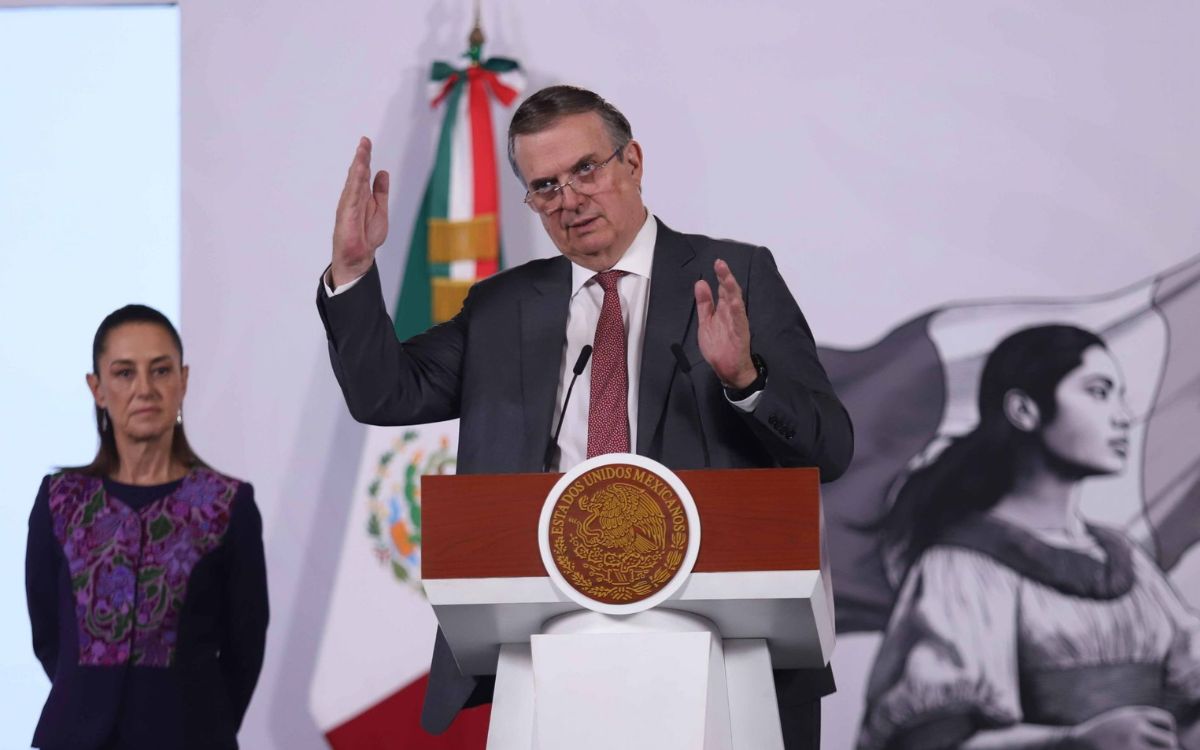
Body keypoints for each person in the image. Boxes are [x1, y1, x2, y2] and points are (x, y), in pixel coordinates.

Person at [317, 85, 854, 749]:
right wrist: (353, 269)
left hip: (727, 648)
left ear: (633, 162)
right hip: (548, 647)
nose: (569, 199)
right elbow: (385, 394)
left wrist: (746, 380)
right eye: (545, 186)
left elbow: (830, 447)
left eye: (586, 170)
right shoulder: (503, 307)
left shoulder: (732, 276)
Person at [856, 325, 1200, 750]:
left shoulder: (1125, 559)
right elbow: (930, 741)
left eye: (1119, 395)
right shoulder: (963, 567)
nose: (1123, 416)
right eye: (1098, 392)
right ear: (1024, 410)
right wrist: (1073, 741)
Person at [25, 305, 269, 750]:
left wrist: (203, 725)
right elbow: (48, 635)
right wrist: (86, 700)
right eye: (124, 373)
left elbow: (245, 646)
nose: (144, 389)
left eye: (160, 370)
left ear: (183, 380)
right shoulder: (61, 501)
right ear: (97, 388)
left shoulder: (226, 504)